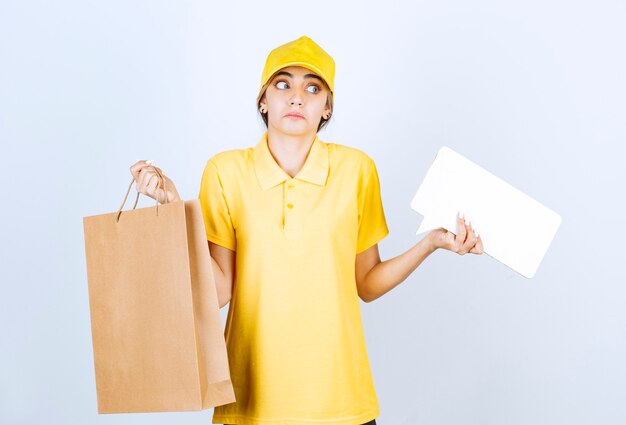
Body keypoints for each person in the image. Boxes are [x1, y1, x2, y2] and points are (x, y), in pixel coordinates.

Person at [129, 35, 483, 425]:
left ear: (326, 108)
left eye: (312, 88)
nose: (297, 97)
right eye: (283, 84)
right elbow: (218, 292)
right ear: (263, 100)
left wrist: (431, 242)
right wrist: (175, 209)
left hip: (341, 402)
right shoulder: (224, 172)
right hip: (251, 404)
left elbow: (366, 284)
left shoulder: (357, 171)